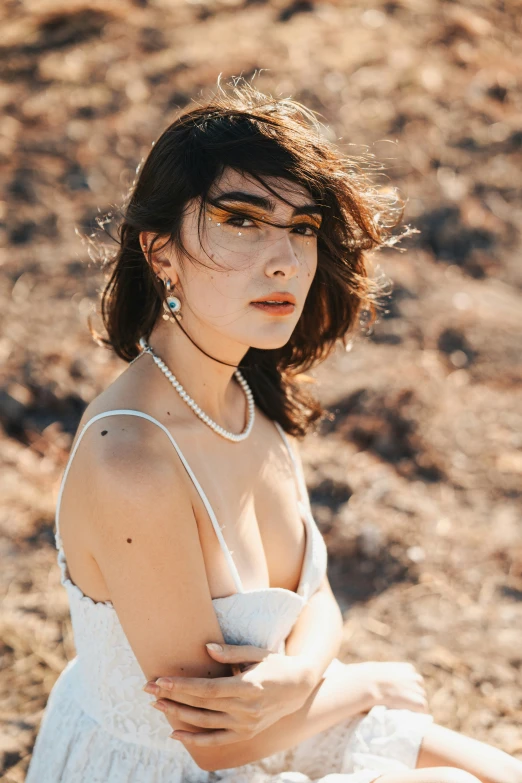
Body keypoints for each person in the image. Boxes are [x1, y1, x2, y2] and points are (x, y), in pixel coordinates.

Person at [26, 79, 522, 783]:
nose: (285, 258)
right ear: (160, 252)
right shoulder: (130, 459)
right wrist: (365, 685)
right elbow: (213, 742)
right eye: (241, 219)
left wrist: (298, 676)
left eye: (302, 227)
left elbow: (313, 595)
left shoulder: (242, 397)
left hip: (288, 719)